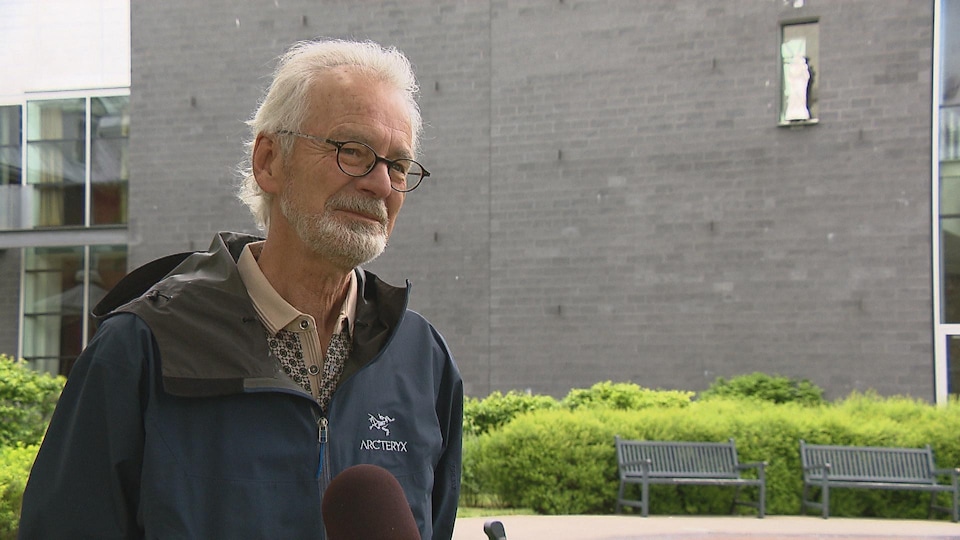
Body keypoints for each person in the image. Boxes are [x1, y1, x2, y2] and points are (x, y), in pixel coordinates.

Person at [18, 38, 463, 540]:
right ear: (269, 160)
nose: (381, 184)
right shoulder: (141, 350)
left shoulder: (425, 361)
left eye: (398, 166)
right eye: (353, 151)